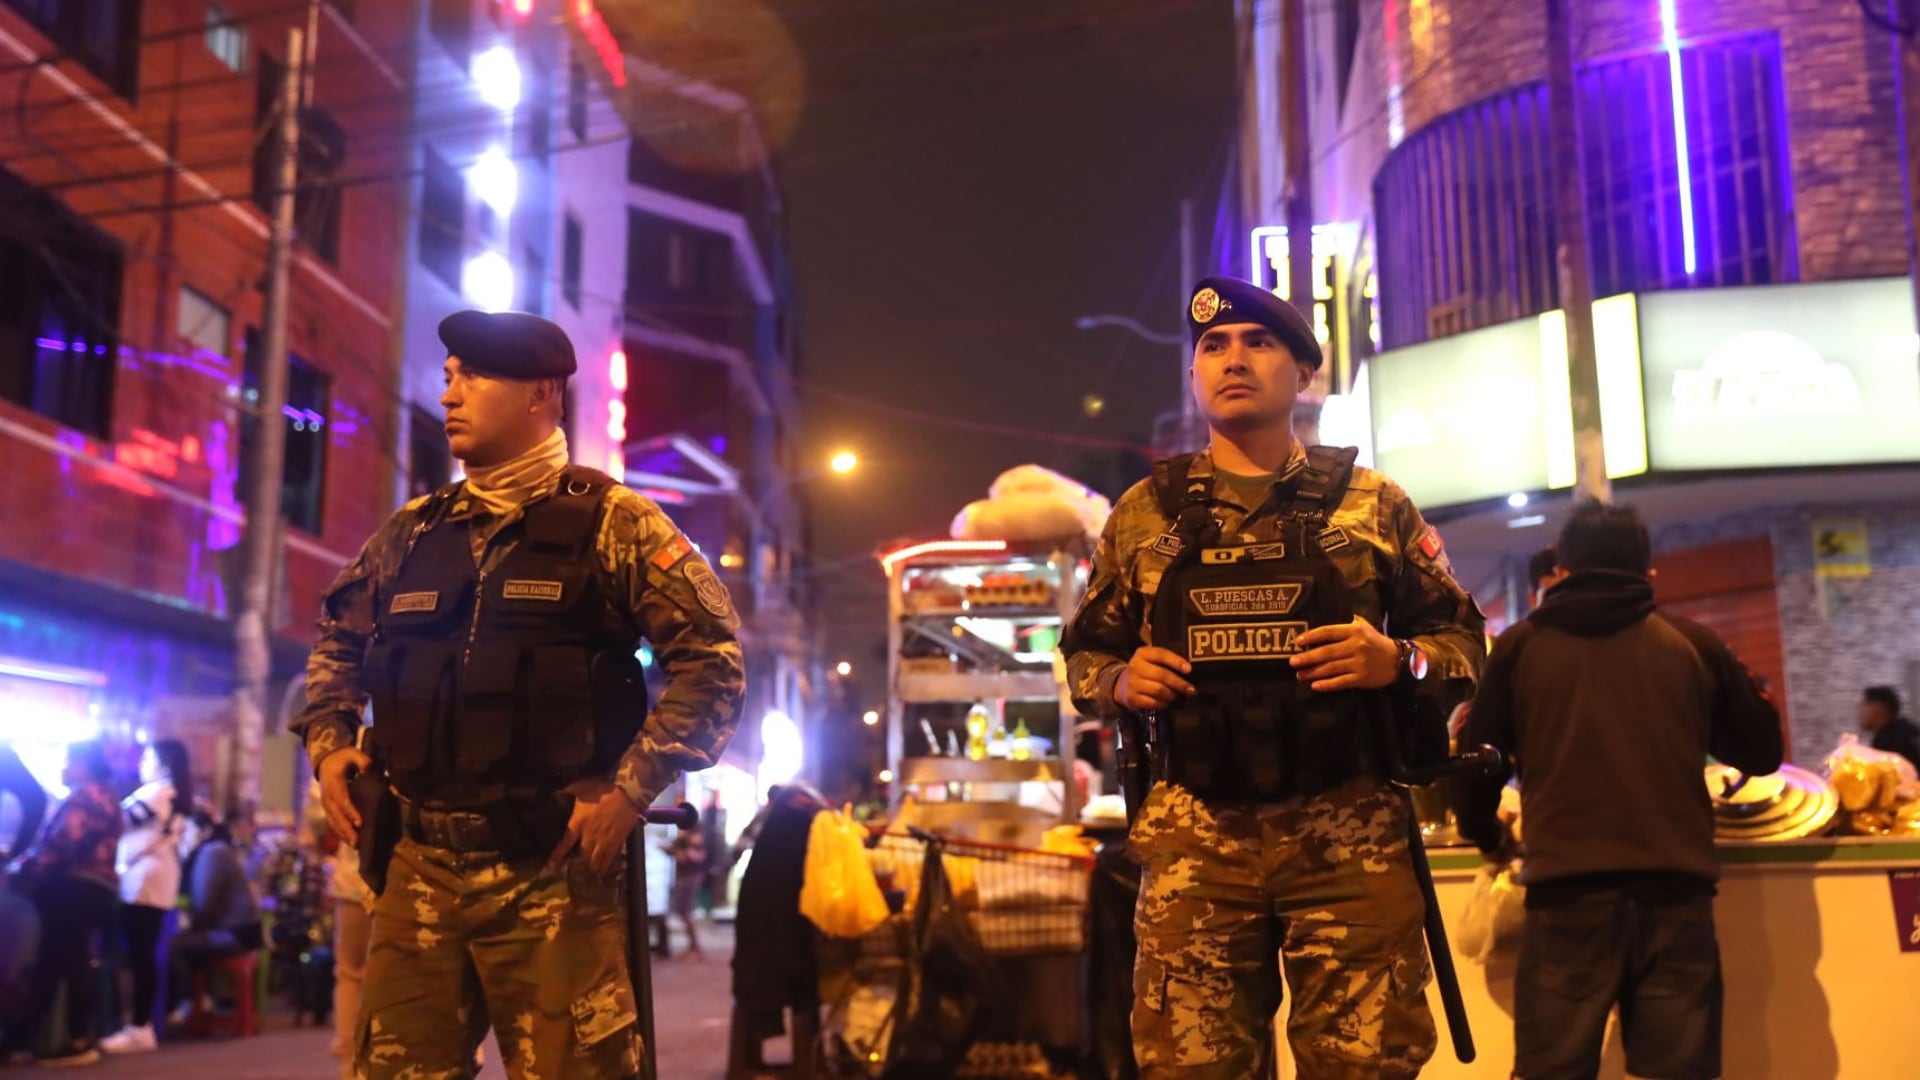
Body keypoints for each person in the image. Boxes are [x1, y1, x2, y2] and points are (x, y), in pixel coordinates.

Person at [296, 310, 746, 1079]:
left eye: (472, 376)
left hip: (550, 874)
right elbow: (339, 637)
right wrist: (330, 740)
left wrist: (630, 792)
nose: (450, 396)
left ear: (541, 394)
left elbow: (713, 661)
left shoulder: (616, 524)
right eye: (446, 378)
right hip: (418, 870)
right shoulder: (413, 532)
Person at [1061, 277, 1486, 1078]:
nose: (1234, 359)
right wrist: (1121, 681)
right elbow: (1084, 653)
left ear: (1303, 374)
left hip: (1348, 835)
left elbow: (1462, 642)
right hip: (1197, 842)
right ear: (1194, 377)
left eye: (1259, 342)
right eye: (1214, 347)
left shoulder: (1374, 505)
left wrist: (1397, 661)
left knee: (1364, 1066)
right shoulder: (1142, 514)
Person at [1451, 500, 1784, 1080]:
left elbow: (1477, 763)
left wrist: (1485, 835)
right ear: (1646, 571)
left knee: (1551, 1070)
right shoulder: (1692, 644)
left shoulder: (1521, 647)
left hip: (1565, 901)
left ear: (1564, 570)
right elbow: (1761, 753)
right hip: (1675, 897)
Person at [4, 741, 123, 1067]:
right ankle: (30, 1039)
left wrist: (19, 870)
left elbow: (61, 843)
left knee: (65, 962)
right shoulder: (107, 796)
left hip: (74, 887)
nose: (62, 768)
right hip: (96, 889)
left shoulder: (85, 797)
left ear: (83, 764)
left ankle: (75, 1040)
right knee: (59, 962)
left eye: (68, 762)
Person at [101, 739, 192, 1054]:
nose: (141, 765)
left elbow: (115, 820)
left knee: (140, 957)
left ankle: (140, 1027)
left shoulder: (157, 792)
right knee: (144, 956)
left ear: (164, 764)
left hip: (143, 883)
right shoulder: (174, 793)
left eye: (148, 758)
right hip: (156, 882)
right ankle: (141, 1024)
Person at [164, 812, 265, 1023]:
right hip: (239, 932)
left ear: (204, 831)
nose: (180, 838)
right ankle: (197, 1001)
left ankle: (188, 1003)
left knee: (170, 946)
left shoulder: (212, 853)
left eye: (185, 831)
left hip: (236, 936)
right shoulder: (214, 852)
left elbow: (203, 905)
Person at [666, 823, 707, 959]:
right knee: (683, 911)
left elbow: (697, 856)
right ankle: (693, 945)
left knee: (685, 911)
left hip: (690, 877)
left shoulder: (694, 836)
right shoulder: (683, 837)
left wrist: (682, 853)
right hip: (685, 877)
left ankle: (694, 946)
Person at [1860, 686, 1920, 773]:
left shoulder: (1888, 740)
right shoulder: (1908, 729)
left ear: (1878, 707)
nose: (1861, 712)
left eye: (1864, 705)